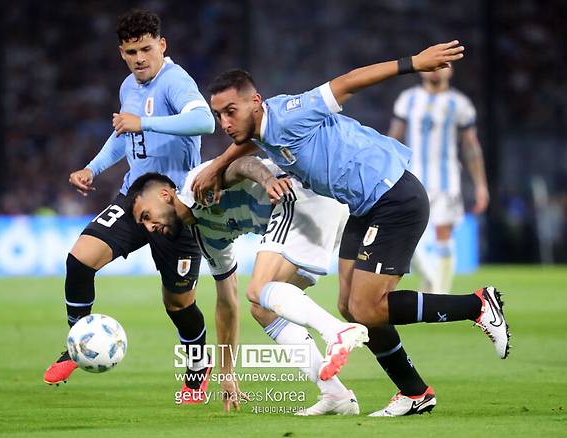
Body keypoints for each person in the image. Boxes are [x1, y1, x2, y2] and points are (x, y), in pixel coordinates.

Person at [193, 40, 510, 416]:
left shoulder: (292, 113)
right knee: (349, 307)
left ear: (256, 102)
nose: (225, 123)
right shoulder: (257, 129)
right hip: (363, 206)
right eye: (219, 116)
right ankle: (415, 393)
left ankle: (478, 305)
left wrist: (414, 63)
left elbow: (347, 82)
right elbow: (245, 145)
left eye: (231, 112)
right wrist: (215, 167)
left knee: (367, 306)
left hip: (394, 197)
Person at [43, 9, 216, 404]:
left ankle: (197, 366)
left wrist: (147, 123)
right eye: (130, 52)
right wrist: (92, 167)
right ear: (121, 52)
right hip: (133, 197)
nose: (138, 58)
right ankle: (77, 342)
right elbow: (123, 133)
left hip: (176, 209)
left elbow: (204, 121)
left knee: (178, 303)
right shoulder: (129, 85)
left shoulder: (175, 81)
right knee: (79, 259)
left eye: (145, 49)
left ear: (162, 45)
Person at [125, 156, 368, 415]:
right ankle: (334, 393)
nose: (150, 228)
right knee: (264, 308)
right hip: (319, 217)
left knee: (259, 290)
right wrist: (226, 373)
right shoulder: (206, 236)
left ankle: (335, 331)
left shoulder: (196, 186)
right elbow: (227, 302)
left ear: (165, 195)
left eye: (147, 216)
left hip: (301, 196)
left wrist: (266, 181)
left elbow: (242, 164)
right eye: (144, 224)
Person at [388, 66, 489, 293]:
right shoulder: (408, 99)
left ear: (451, 71)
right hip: (412, 178)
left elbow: (471, 146)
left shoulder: (460, 104)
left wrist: (481, 185)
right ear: (422, 70)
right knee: (403, 232)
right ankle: (430, 276)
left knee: (443, 233)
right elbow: (393, 137)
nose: (435, 71)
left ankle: (440, 293)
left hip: (447, 181)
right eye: (432, 67)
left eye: (442, 66)